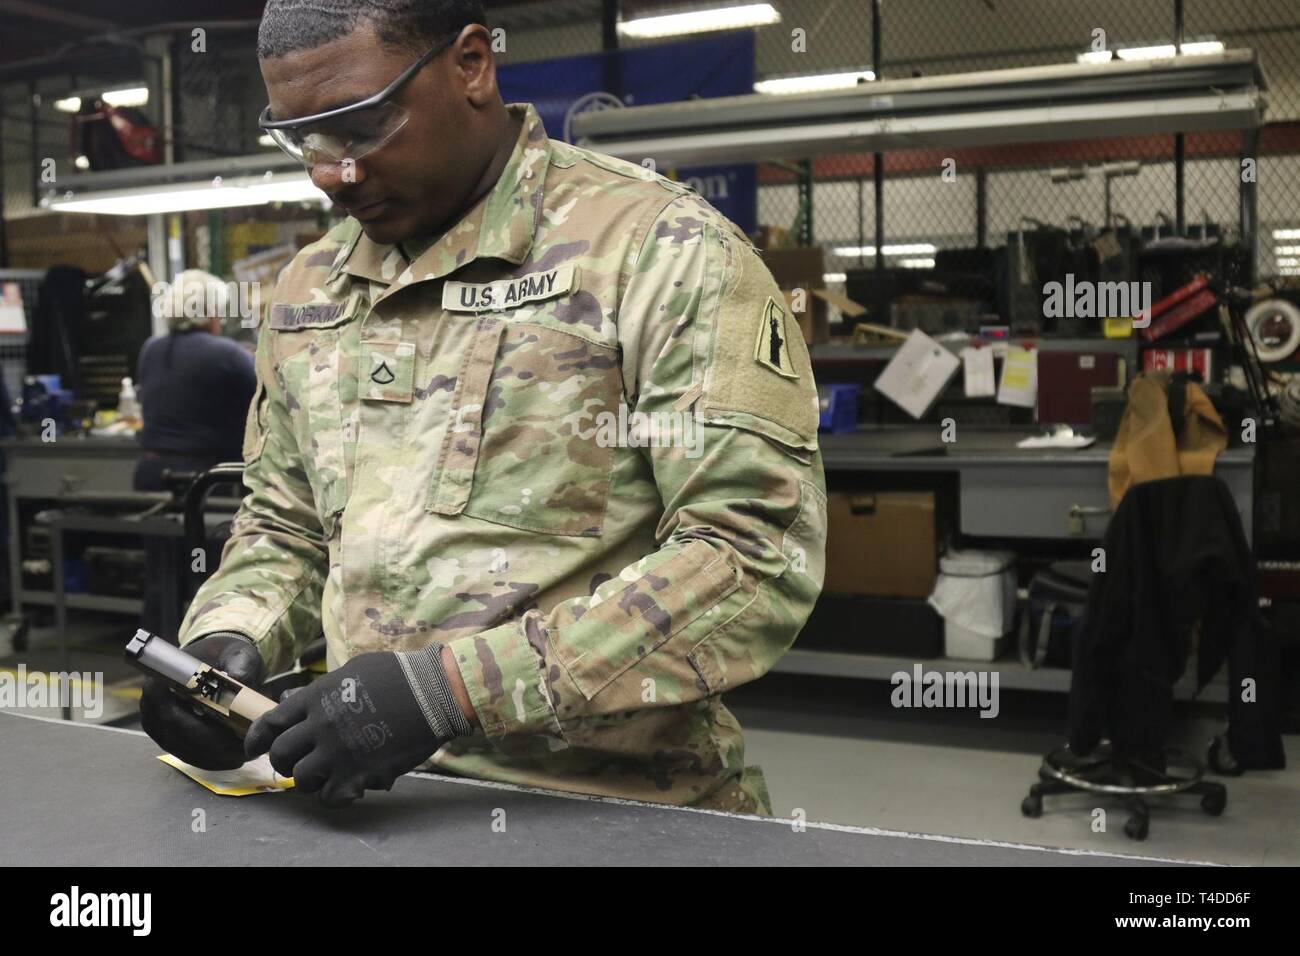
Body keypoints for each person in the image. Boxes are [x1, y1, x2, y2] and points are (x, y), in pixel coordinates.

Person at [139, 0, 827, 813]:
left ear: (471, 65)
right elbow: (286, 523)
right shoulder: (310, 288)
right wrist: (227, 642)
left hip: (615, 810)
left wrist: (451, 693)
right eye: (306, 139)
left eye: (360, 125)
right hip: (368, 805)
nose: (333, 172)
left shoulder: (659, 252)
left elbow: (751, 558)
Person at [134, 269, 256, 636]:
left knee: (162, 577)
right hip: (209, 486)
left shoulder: (151, 349)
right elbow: (268, 405)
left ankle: (154, 654)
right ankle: (206, 653)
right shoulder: (229, 354)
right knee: (212, 578)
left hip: (154, 480)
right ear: (211, 313)